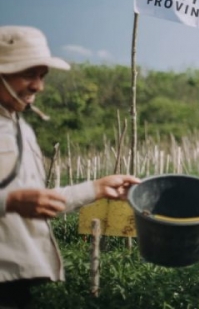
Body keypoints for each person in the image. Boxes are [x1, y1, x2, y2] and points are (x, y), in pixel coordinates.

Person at [0, 26, 140, 308]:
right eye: (28, 74)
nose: (38, 86)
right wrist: (9, 201)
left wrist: (97, 188)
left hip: (14, 278)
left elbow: (36, 203)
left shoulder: (20, 127)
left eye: (42, 76)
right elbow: (17, 201)